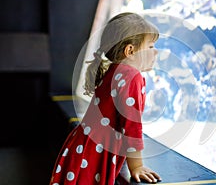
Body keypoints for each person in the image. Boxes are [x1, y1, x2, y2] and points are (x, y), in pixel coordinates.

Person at [50, 12, 162, 185]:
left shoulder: (115, 70)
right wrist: (137, 166)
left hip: (84, 148)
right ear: (130, 50)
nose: (156, 52)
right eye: (150, 46)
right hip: (95, 154)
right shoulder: (132, 76)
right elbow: (131, 127)